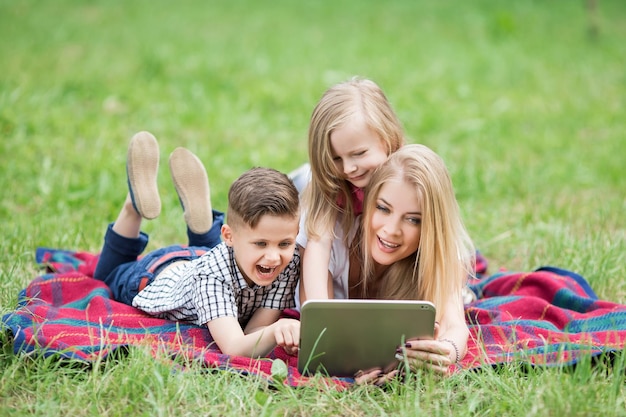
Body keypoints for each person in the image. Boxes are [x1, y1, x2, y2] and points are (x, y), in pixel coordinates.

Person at [93, 131, 302, 358]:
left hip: (205, 257)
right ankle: (132, 208)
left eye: (284, 243)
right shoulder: (211, 277)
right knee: (107, 276)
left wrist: (279, 334)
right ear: (228, 236)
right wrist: (274, 331)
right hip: (153, 275)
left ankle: (202, 229)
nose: (273, 256)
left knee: (227, 255)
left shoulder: (288, 263)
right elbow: (234, 348)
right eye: (261, 243)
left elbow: (252, 331)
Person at [311, 144, 475, 379]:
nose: (391, 230)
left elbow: (455, 326)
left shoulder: (441, 254)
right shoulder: (330, 243)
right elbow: (318, 330)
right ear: (368, 202)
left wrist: (445, 352)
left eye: (412, 220)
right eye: (383, 208)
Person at [295, 77, 406, 306]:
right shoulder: (330, 185)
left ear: (389, 139)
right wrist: (319, 312)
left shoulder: (409, 180)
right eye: (336, 158)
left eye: (358, 153)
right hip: (306, 191)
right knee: (283, 199)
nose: (347, 168)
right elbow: (317, 246)